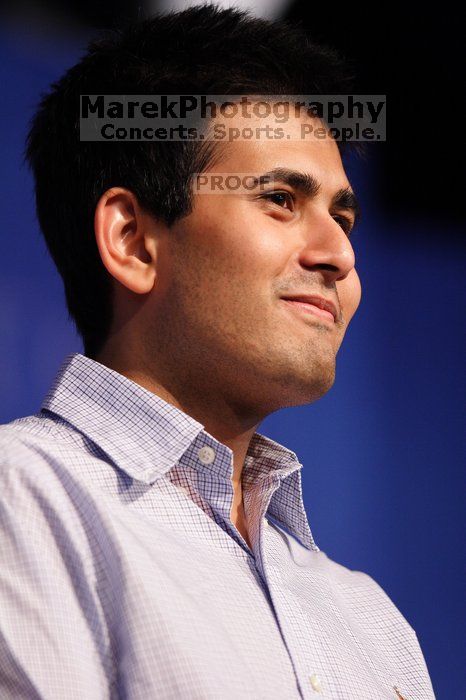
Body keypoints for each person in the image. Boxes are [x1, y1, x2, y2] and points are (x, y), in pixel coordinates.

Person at [0, 5, 434, 699]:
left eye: (343, 217)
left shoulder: (373, 621)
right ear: (134, 242)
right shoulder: (22, 501)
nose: (340, 255)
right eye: (281, 199)